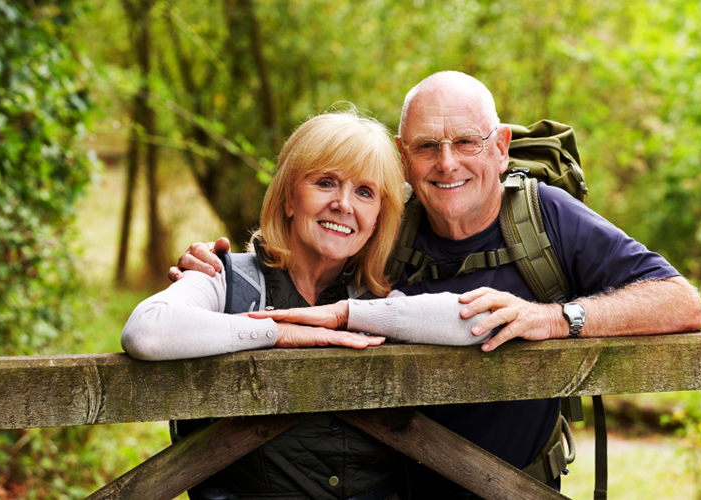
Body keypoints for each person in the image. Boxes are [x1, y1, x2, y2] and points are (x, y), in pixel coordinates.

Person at [172, 72, 701, 497]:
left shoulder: (547, 218)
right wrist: (217, 273)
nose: (446, 163)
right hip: (394, 485)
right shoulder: (386, 226)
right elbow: (309, 254)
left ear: (499, 146)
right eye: (427, 147)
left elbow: (681, 302)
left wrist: (554, 319)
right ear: (404, 157)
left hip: (519, 484)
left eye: (466, 142)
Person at [123, 108, 500, 500]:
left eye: (365, 192)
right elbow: (145, 332)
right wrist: (277, 333)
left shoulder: (382, 299)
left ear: (378, 221)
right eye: (325, 183)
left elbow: (484, 320)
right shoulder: (224, 277)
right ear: (288, 198)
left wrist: (347, 315)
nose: (343, 204)